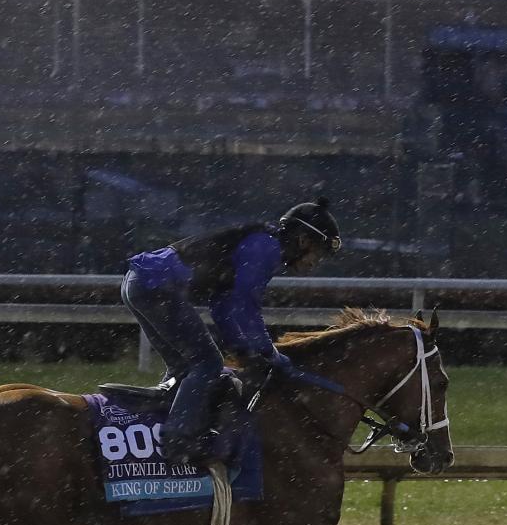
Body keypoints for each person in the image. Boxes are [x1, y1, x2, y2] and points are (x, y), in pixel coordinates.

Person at [121, 198, 342, 463]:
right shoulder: (267, 248)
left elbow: (223, 305)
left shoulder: (265, 244)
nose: (315, 263)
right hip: (156, 287)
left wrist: (242, 346)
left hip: (139, 283)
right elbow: (243, 305)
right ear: (304, 241)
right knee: (207, 363)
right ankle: (178, 442)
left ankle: (173, 417)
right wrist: (268, 352)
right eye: (318, 254)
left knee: (185, 365)